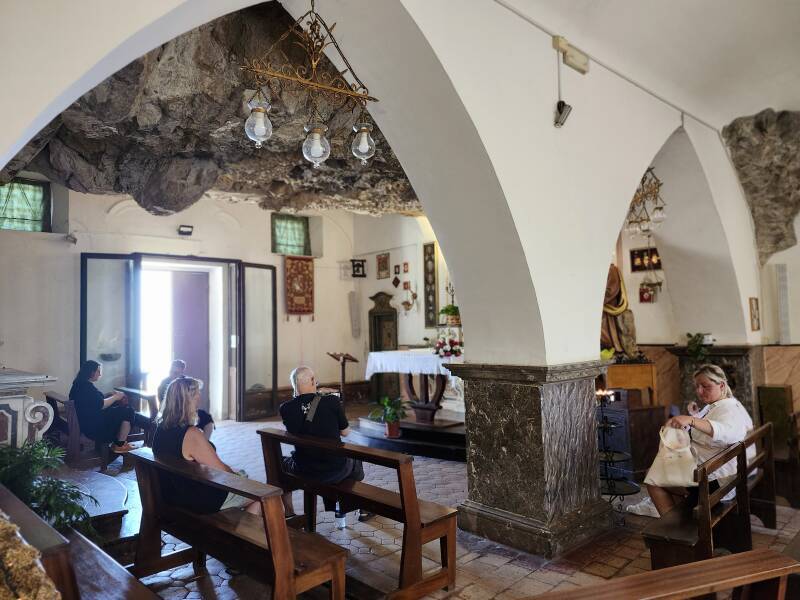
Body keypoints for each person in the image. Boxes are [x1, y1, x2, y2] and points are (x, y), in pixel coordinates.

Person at [646, 363, 754, 516]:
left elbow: (729, 432)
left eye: (705, 386)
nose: (699, 391)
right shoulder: (719, 405)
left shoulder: (728, 408)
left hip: (717, 481)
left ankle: (678, 529)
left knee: (653, 480)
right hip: (713, 472)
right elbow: (709, 429)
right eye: (697, 386)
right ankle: (683, 520)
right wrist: (693, 419)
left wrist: (691, 420)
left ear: (721, 385)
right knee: (661, 471)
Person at [152, 376, 259, 515]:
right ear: (189, 400)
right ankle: (240, 534)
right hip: (197, 500)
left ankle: (240, 531)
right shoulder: (191, 434)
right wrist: (238, 477)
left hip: (173, 495)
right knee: (266, 498)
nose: (199, 397)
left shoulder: (160, 428)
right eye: (197, 393)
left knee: (248, 484)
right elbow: (221, 470)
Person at [280, 366, 369, 520]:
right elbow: (346, 432)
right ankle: (356, 507)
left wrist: (315, 397)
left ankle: (289, 514)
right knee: (353, 458)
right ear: (313, 381)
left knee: (280, 463)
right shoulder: (332, 401)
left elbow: (301, 409)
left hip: (304, 468)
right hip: (335, 469)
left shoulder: (286, 409)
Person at [69, 360, 152, 453]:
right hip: (94, 427)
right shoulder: (86, 387)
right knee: (128, 411)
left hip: (87, 421)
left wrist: (109, 396)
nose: (100, 374)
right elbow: (101, 405)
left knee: (127, 411)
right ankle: (119, 445)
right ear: (91, 372)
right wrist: (116, 396)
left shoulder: (79, 384)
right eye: (98, 371)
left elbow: (92, 401)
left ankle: (121, 441)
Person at [158, 359, 214, 440]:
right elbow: (163, 402)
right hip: (171, 411)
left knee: (207, 418)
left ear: (182, 372)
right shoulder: (165, 383)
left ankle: (204, 442)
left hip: (186, 409)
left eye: (177, 373)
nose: (173, 375)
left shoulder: (186, 382)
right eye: (172, 372)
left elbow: (191, 400)